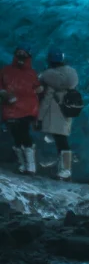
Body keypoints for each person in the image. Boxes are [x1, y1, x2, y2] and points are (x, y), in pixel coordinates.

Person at [37, 49, 81, 180]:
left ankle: (65, 171)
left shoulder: (49, 77)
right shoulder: (71, 75)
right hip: (67, 110)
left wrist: (39, 118)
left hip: (55, 113)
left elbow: (46, 100)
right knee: (62, 139)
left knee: (60, 141)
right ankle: (65, 170)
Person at [0, 47, 40, 175]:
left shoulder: (31, 73)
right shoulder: (6, 71)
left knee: (23, 133)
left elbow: (37, 88)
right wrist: (4, 93)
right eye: (19, 54)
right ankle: (24, 164)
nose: (21, 57)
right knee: (16, 134)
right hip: (11, 108)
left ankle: (30, 165)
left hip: (27, 109)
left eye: (24, 55)